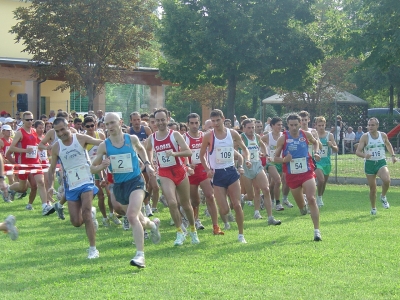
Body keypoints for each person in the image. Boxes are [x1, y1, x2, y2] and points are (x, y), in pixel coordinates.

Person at [91, 112, 161, 268]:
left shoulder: (131, 139)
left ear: (120, 122)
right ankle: (153, 225)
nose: (109, 127)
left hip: (136, 182)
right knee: (140, 219)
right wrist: (101, 166)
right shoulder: (105, 145)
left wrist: (148, 164)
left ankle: (140, 256)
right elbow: (91, 168)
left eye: (112, 123)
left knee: (131, 216)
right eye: (107, 124)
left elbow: (142, 149)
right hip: (119, 186)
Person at [47, 117, 103, 259]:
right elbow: (52, 168)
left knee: (85, 212)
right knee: (76, 222)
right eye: (57, 131)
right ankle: (91, 213)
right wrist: (50, 186)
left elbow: (101, 143)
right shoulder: (56, 147)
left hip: (87, 181)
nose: (61, 133)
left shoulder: (80, 138)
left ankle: (93, 249)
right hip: (71, 184)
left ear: (68, 126)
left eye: (63, 129)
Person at [146, 108, 200, 246]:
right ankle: (179, 232)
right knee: (172, 202)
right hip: (164, 173)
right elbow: (147, 150)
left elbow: (188, 152)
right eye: (157, 120)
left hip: (180, 171)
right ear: (154, 122)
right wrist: (150, 163)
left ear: (168, 119)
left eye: (163, 119)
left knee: (186, 205)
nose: (160, 122)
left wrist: (175, 154)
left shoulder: (174, 135)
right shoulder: (152, 138)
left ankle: (193, 231)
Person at [200, 109, 252, 243]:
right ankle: (227, 207)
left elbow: (244, 149)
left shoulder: (232, 133)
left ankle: (241, 235)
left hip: (231, 171)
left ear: (223, 119)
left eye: (218, 120)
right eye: (213, 121)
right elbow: (201, 156)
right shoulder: (208, 136)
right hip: (217, 175)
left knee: (237, 204)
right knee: (224, 210)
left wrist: (246, 160)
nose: (216, 123)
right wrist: (207, 169)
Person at [274, 113, 322, 241]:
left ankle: (317, 231)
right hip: (292, 175)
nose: (294, 127)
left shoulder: (305, 134)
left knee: (311, 198)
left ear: (300, 124)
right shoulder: (283, 138)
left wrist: (316, 152)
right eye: (291, 125)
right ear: (287, 125)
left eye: (296, 125)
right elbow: (275, 158)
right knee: (302, 207)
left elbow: (315, 142)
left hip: (307, 172)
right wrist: (285, 159)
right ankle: (302, 207)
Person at [7, 111, 55, 216]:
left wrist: (47, 147)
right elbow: (11, 148)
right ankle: (8, 188)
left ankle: (45, 207)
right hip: (23, 164)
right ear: (23, 121)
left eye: (31, 119)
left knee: (40, 183)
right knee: (22, 187)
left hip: (35, 162)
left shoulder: (33, 131)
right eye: (27, 120)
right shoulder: (20, 132)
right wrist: (25, 151)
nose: (30, 121)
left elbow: (39, 144)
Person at [184, 113, 224, 235]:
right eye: (192, 123)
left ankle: (216, 226)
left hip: (203, 169)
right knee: (195, 201)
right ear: (187, 124)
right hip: (191, 172)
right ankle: (195, 220)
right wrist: (187, 165)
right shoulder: (184, 137)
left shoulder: (204, 136)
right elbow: (182, 153)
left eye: (196, 123)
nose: (194, 125)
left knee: (210, 196)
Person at [239, 119, 281, 224]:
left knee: (265, 190)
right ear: (243, 128)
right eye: (248, 128)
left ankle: (270, 218)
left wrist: (265, 154)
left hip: (257, 165)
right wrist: (240, 158)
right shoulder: (241, 138)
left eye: (252, 127)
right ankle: (243, 198)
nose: (251, 130)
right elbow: (233, 149)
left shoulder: (257, 137)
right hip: (246, 168)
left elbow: (262, 145)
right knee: (251, 196)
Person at [355, 117, 397, 215]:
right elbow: (357, 151)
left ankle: (383, 196)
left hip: (381, 162)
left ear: (377, 126)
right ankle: (373, 208)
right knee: (373, 189)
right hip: (369, 164)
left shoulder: (382, 135)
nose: (370, 127)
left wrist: (393, 155)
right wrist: (365, 155)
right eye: (369, 125)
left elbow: (388, 144)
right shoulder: (365, 137)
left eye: (372, 125)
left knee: (387, 180)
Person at [261, 117, 294, 211]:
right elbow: (258, 143)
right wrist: (263, 153)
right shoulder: (268, 136)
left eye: (281, 124)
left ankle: (264, 197)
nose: (280, 126)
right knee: (278, 181)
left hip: (280, 161)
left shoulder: (284, 136)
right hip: (270, 162)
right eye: (278, 125)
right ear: (272, 126)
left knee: (272, 184)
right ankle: (278, 203)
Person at [314, 117, 338, 207]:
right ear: (316, 125)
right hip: (317, 162)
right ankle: (315, 197)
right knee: (321, 179)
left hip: (326, 162)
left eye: (322, 125)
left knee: (323, 182)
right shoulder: (313, 135)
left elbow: (336, 149)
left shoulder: (329, 135)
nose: (321, 127)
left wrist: (331, 146)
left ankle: (319, 197)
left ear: (325, 125)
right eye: (319, 125)